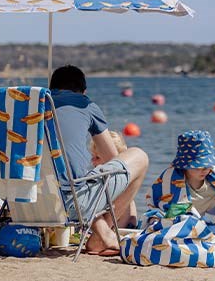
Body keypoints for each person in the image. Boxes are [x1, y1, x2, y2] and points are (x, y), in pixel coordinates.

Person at [49, 65, 149, 256]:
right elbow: (114, 160)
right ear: (83, 91)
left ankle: (101, 232)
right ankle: (101, 236)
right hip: (72, 204)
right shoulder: (86, 104)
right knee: (139, 158)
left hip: (28, 200)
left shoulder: (32, 109)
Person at [89, 130, 137, 226]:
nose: (92, 161)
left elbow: (127, 218)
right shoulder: (106, 183)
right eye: (92, 156)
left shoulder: (121, 186)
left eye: (97, 157)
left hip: (121, 229)